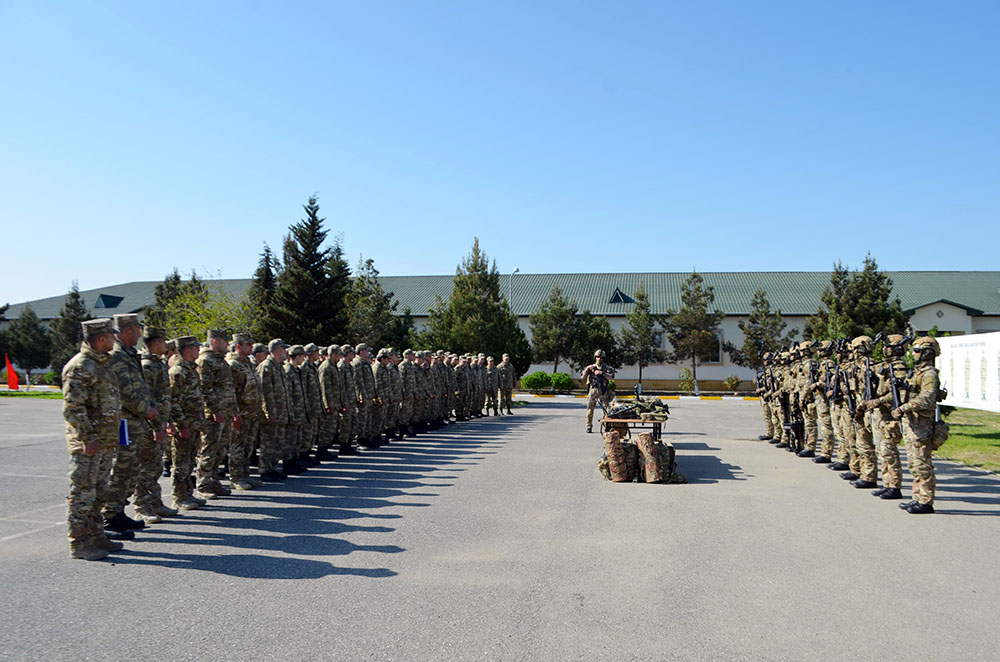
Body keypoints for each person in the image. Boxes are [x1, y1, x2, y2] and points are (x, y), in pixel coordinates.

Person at [62, 318, 121, 560]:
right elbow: (72, 408)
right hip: (88, 444)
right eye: (111, 336)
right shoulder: (80, 366)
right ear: (101, 338)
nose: (115, 339)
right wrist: (87, 438)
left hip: (105, 441)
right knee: (83, 494)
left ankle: (97, 535)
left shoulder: (102, 364)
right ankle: (79, 543)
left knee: (99, 491)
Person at [104, 313, 157, 534]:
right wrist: (146, 410)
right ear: (128, 331)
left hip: (135, 422)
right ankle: (110, 515)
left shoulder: (129, 354)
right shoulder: (117, 356)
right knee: (121, 468)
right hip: (124, 423)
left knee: (131, 469)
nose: (140, 335)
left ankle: (118, 512)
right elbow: (124, 392)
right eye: (137, 330)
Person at [892, 336, 943, 514]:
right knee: (914, 464)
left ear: (927, 353)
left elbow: (927, 399)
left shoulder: (929, 374)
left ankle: (926, 501)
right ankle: (917, 497)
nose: (913, 354)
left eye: (916, 351)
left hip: (922, 424)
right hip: (912, 424)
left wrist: (904, 408)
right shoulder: (917, 372)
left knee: (922, 464)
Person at [135, 326, 175, 523]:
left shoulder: (158, 363)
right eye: (164, 341)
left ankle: (155, 502)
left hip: (161, 421)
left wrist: (168, 421)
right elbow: (148, 399)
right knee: (146, 467)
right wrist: (156, 426)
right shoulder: (147, 366)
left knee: (156, 466)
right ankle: (142, 506)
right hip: (150, 425)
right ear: (157, 343)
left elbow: (165, 397)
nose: (166, 345)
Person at [196, 330, 239, 498]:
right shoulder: (205, 361)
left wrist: (233, 410)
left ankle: (213, 480)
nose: (227, 344)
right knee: (209, 449)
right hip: (213, 415)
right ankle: (203, 484)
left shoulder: (221, 361)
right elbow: (205, 389)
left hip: (225, 412)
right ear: (214, 342)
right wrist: (215, 410)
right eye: (224, 340)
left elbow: (228, 389)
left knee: (220, 449)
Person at [168, 336, 208, 509]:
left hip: (194, 423)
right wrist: (180, 425)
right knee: (181, 462)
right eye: (195, 348)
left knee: (190, 460)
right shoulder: (177, 372)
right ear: (187, 350)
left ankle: (188, 493)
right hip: (184, 424)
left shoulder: (191, 369)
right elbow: (173, 401)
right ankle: (179, 497)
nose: (198, 351)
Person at [227, 333, 263, 490]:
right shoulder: (233, 365)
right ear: (238, 346)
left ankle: (245, 474)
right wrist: (235, 413)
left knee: (248, 446)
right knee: (237, 446)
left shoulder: (248, 363)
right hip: (241, 413)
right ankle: (236, 477)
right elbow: (231, 392)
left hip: (252, 412)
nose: (251, 347)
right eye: (248, 344)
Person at [257, 339, 291, 482]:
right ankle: (265, 469)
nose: (286, 352)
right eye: (284, 349)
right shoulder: (266, 367)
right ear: (277, 350)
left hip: (281, 411)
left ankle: (272, 468)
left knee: (278, 442)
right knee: (268, 442)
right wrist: (269, 413)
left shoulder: (278, 367)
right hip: (271, 413)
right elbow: (265, 392)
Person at [581, 349, 615, 433]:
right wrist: (587, 369)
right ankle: (589, 426)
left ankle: (607, 426)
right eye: (597, 357)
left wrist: (602, 373)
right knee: (589, 410)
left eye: (601, 357)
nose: (599, 359)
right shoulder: (591, 367)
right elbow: (583, 378)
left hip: (603, 391)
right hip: (593, 390)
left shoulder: (607, 368)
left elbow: (612, 376)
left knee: (606, 410)